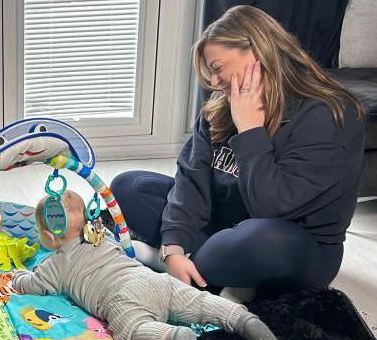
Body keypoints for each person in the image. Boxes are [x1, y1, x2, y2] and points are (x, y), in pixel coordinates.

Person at [109, 6, 366, 301]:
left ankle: (194, 271)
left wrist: (250, 132)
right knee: (128, 187)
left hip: (293, 245)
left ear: (258, 53)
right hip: (224, 227)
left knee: (258, 240)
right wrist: (173, 249)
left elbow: (271, 208)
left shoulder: (330, 115)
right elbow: (191, 184)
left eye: (217, 68)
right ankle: (195, 270)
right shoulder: (221, 105)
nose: (214, 83)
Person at [11, 191, 282, 340]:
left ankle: (172, 338)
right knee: (198, 302)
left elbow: (32, 285)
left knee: (131, 329)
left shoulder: (55, 264)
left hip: (121, 296)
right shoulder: (101, 235)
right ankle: (244, 320)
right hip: (152, 279)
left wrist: (17, 277)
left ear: (47, 235)